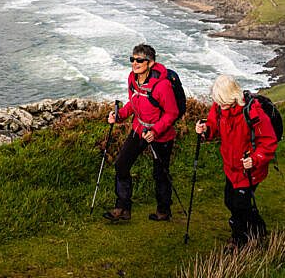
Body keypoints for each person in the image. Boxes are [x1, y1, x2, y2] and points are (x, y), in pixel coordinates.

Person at [195, 74, 276, 250]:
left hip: (250, 170)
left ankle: (239, 240)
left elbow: (269, 142)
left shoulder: (253, 113)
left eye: (223, 102)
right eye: (218, 102)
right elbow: (213, 126)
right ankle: (258, 229)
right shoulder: (219, 108)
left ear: (233, 96)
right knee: (230, 202)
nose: (221, 106)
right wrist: (205, 130)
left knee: (239, 205)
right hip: (231, 167)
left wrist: (255, 159)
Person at [104, 44, 180, 223]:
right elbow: (133, 103)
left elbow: (172, 113)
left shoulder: (163, 86)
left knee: (160, 173)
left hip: (160, 135)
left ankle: (163, 211)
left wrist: (155, 131)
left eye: (140, 60)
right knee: (121, 165)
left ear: (151, 63)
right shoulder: (132, 79)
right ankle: (122, 209)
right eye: (133, 59)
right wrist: (119, 115)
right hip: (139, 129)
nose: (135, 63)